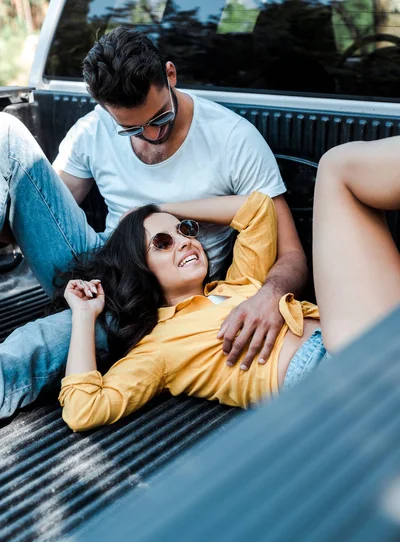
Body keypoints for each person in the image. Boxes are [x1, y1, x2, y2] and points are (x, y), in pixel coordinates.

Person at [0, 27, 306, 419]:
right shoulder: (93, 129)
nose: (151, 134)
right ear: (105, 108)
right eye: (131, 128)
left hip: (147, 301)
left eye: (159, 118)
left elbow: (292, 254)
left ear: (171, 75)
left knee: (32, 343)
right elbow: (38, 216)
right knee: (7, 134)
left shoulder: (232, 139)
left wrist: (268, 296)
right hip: (101, 261)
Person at [58, 135, 400, 431]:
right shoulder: (160, 346)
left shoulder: (236, 285)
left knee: (340, 167)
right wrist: (84, 316)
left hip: (349, 340)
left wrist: (156, 208)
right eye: (162, 243)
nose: (184, 241)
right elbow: (83, 409)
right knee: (337, 168)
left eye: (185, 230)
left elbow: (257, 209)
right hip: (331, 375)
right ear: (139, 269)